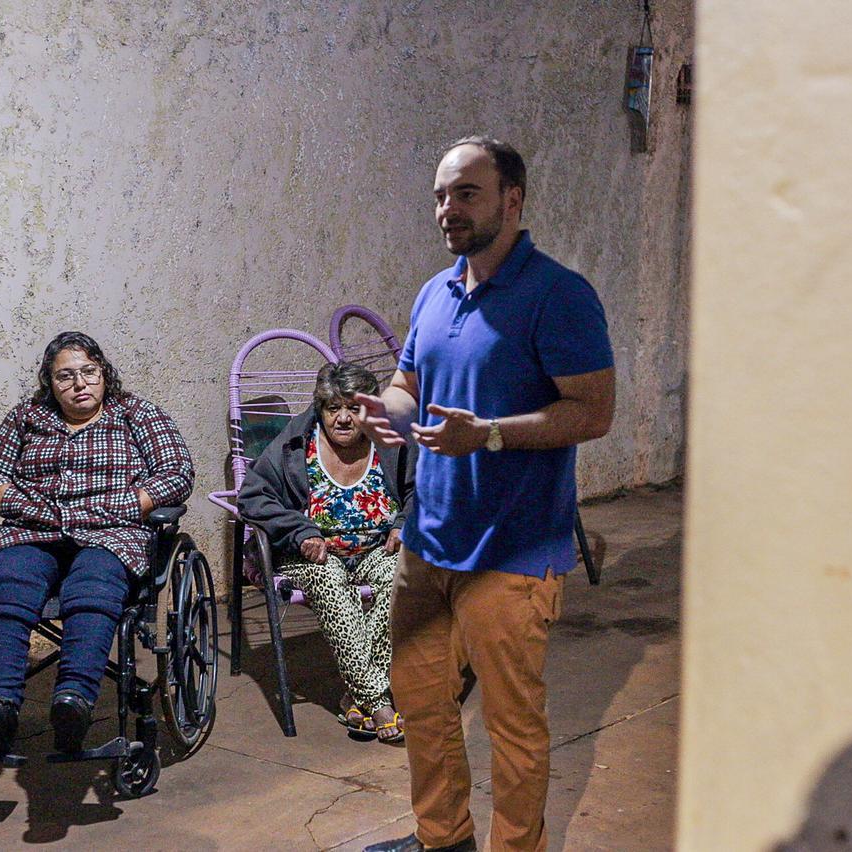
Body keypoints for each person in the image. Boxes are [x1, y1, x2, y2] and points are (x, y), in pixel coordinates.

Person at [358, 137, 615, 852]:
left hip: (512, 553)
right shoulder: (435, 292)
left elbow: (593, 412)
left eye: (466, 193)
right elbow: (407, 382)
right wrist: (393, 412)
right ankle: (443, 841)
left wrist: (492, 435)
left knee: (512, 728)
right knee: (423, 710)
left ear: (512, 200)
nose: (448, 209)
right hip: (429, 540)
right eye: (441, 194)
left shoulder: (559, 296)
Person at [0, 331, 193, 754]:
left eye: (88, 372)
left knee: (94, 580)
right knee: (7, 578)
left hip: (111, 532)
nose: (79, 384)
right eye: (65, 376)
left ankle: (74, 698)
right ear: (49, 383)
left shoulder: (137, 414)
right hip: (35, 527)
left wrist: (126, 504)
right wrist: (22, 503)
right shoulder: (27, 417)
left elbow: (178, 473)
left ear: (104, 373)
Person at [238, 362, 415, 742]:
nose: (344, 418)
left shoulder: (391, 439)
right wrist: (300, 531)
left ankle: (357, 695)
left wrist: (404, 523)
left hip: (376, 546)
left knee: (402, 574)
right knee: (330, 580)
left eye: (354, 408)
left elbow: (426, 489)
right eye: (334, 408)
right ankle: (380, 702)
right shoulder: (295, 443)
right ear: (321, 409)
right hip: (311, 553)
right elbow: (252, 495)